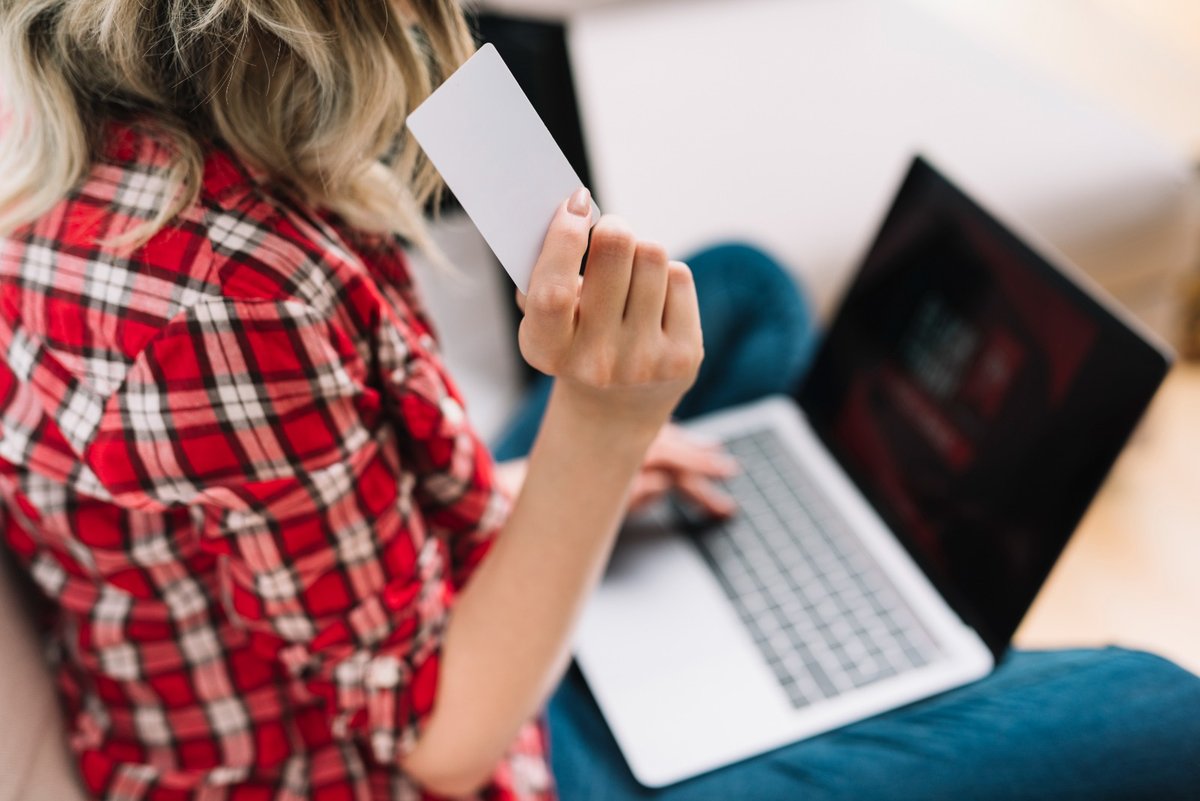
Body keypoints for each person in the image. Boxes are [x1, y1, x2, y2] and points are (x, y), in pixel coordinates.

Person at [0, 3, 1196, 801]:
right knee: (1156, 714)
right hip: (409, 756)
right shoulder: (234, 299)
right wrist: (600, 435)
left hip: (366, 603)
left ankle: (823, 618)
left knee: (741, 292)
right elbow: (444, 747)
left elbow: (280, 510)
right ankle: (831, 660)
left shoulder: (96, 123)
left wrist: (519, 489)